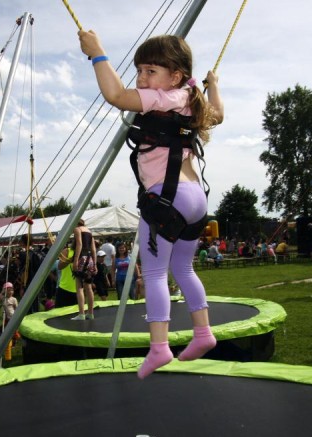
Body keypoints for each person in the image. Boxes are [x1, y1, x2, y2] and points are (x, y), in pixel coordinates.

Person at [79, 30, 224, 379]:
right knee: (184, 269)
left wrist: (97, 53)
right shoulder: (191, 98)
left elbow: (115, 94)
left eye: (149, 71)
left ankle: (159, 348)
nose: (142, 79)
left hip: (166, 196)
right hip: (195, 198)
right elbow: (217, 114)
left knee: (157, 272)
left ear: (174, 75)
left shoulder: (163, 98)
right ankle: (203, 333)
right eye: (139, 71)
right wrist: (213, 83)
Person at [71, 219, 97, 320]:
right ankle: (90, 313)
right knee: (89, 287)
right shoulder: (89, 232)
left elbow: (79, 244)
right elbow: (94, 249)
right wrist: (95, 264)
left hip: (82, 257)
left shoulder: (77, 229)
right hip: (89, 259)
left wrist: (76, 259)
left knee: (79, 287)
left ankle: (81, 313)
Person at [55, 243, 78, 309]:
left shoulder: (84, 253)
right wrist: (70, 260)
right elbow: (60, 266)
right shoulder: (67, 251)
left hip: (78, 289)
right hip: (64, 288)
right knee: (59, 314)